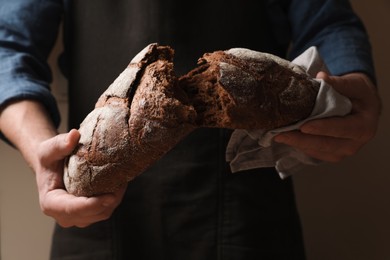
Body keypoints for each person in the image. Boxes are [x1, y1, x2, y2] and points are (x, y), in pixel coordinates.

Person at [0, 0, 381, 259]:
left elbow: (328, 21)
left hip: (246, 210)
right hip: (91, 210)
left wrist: (350, 94)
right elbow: (8, 47)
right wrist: (40, 151)